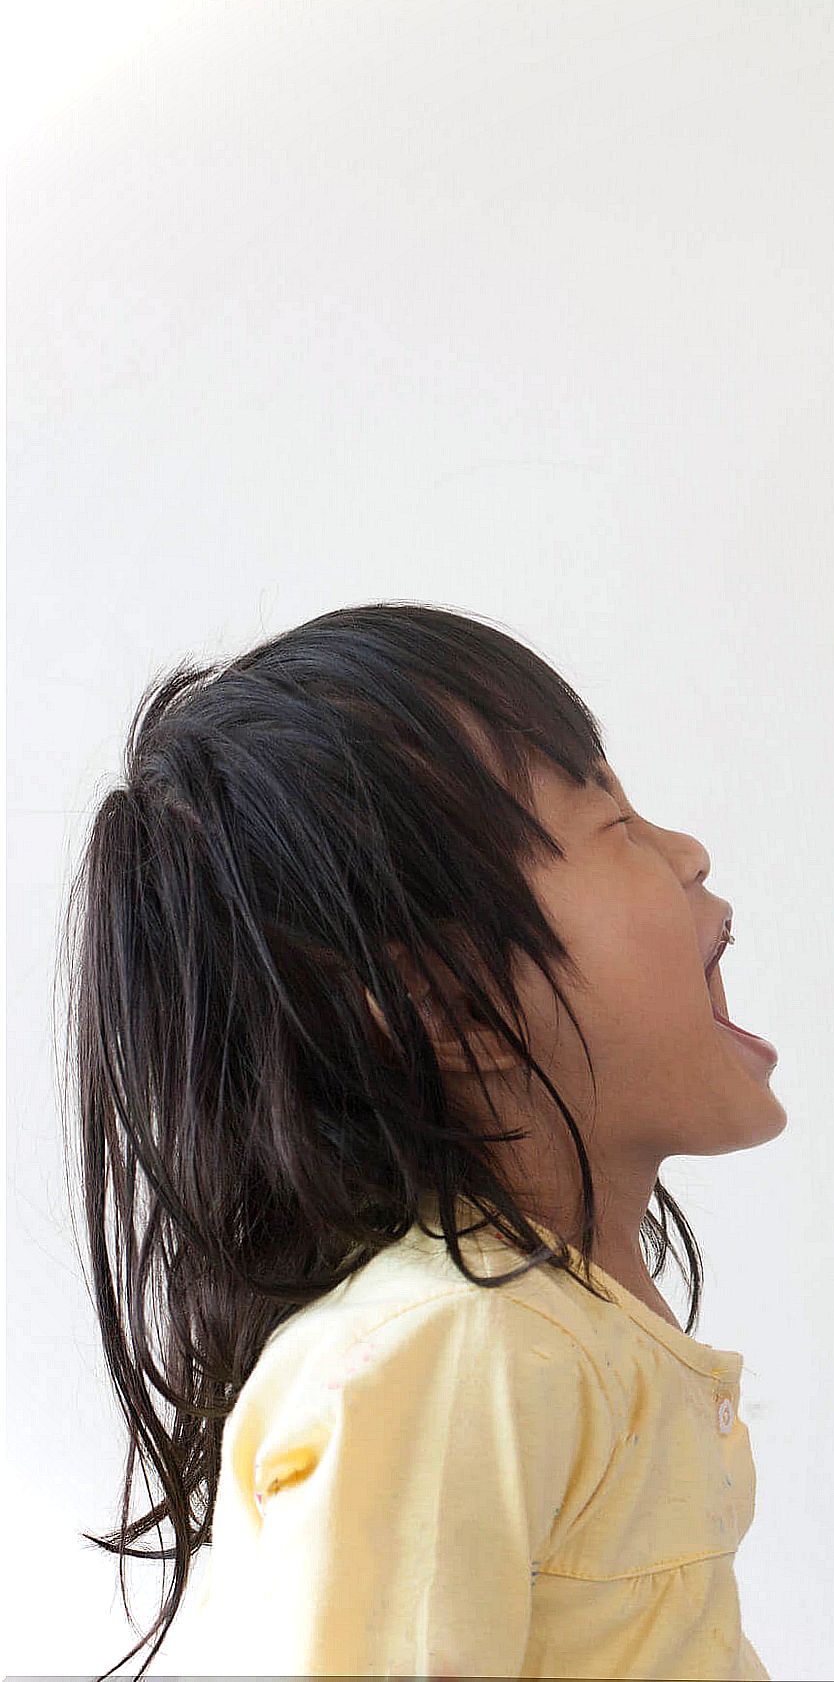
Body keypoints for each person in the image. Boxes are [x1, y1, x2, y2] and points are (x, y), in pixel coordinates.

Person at [65, 603, 785, 1678]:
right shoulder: (455, 1354)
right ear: (451, 1009)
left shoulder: (538, 1344)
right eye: (614, 824)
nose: (689, 852)